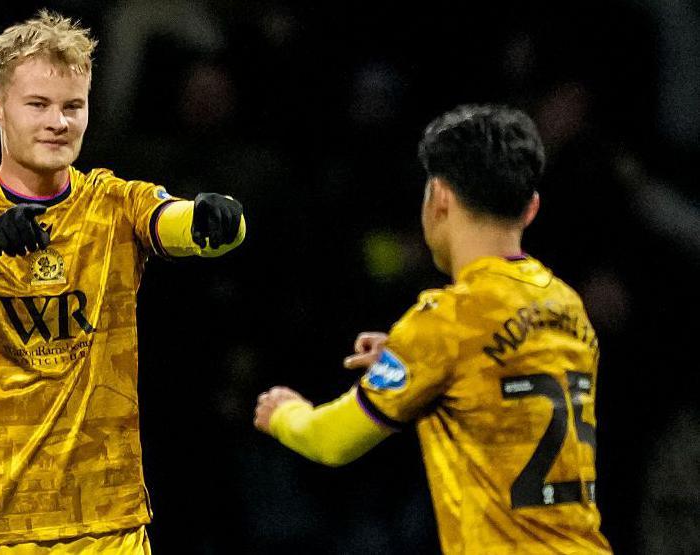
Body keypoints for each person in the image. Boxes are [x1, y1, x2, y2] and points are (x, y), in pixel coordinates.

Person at [0, 10, 245, 554]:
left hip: (109, 527)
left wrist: (216, 220)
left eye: (73, 106)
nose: (58, 122)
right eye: (37, 105)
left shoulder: (113, 201)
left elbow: (177, 222)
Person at [254, 104, 611, 553]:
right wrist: (409, 357)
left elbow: (331, 441)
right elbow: (502, 380)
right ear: (531, 208)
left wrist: (285, 414)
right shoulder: (567, 305)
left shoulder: (447, 320)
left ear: (439, 197)